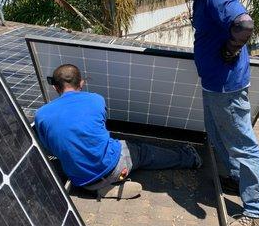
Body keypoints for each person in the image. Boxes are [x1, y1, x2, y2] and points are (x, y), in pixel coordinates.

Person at [148, 0, 259, 226]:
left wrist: (229, 50)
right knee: (217, 134)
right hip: (215, 83)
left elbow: (244, 24)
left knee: (241, 142)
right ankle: (235, 178)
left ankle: (256, 210)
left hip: (227, 86)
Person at [34, 64, 202, 199]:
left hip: (80, 180)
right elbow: (98, 125)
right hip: (111, 168)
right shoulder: (95, 100)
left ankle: (99, 189)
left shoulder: (41, 115)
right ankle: (190, 158)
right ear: (82, 83)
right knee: (141, 151)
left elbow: (50, 147)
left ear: (56, 88)